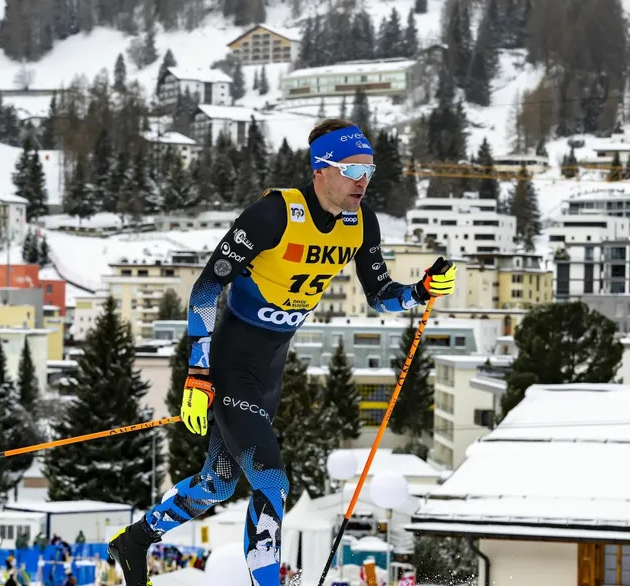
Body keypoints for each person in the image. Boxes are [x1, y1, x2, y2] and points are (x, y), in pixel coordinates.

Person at [108, 118, 458, 586]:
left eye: (369, 169)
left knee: (218, 483)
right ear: (321, 170)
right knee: (271, 482)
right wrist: (197, 374)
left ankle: (133, 541)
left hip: (270, 366)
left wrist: (420, 290)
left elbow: (379, 294)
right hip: (229, 359)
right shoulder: (274, 215)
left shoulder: (361, 223)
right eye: (352, 169)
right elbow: (206, 289)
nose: (363, 180)